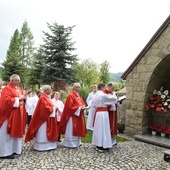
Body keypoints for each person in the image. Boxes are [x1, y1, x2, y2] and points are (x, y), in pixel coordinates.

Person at [0, 74, 27, 159]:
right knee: (6, 134)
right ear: (12, 81)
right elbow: (5, 101)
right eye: (17, 80)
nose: (19, 82)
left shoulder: (19, 89)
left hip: (18, 115)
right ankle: (5, 153)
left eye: (19, 80)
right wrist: (17, 99)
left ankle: (15, 149)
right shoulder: (6, 89)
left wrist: (24, 98)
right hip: (9, 115)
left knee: (16, 132)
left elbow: (21, 99)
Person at [25, 85, 58, 151]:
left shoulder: (47, 97)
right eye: (49, 89)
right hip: (43, 119)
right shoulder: (43, 98)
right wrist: (54, 108)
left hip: (48, 118)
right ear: (46, 90)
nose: (51, 91)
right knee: (43, 131)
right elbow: (45, 108)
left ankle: (49, 145)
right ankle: (42, 145)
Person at [59, 82, 87, 148]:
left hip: (78, 115)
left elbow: (82, 103)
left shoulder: (78, 95)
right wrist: (79, 108)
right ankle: (70, 143)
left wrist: (83, 107)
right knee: (72, 128)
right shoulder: (70, 95)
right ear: (74, 88)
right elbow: (69, 107)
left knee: (78, 128)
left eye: (79, 87)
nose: (78, 88)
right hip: (72, 116)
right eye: (77, 87)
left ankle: (77, 142)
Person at [92, 83, 117, 152]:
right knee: (103, 129)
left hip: (98, 113)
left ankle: (98, 144)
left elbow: (94, 104)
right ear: (102, 87)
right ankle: (102, 145)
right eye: (104, 87)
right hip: (103, 113)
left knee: (98, 130)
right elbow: (113, 99)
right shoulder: (102, 95)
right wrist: (114, 94)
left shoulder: (95, 95)